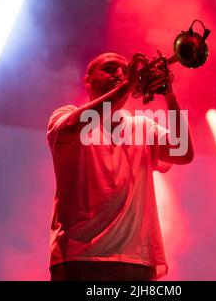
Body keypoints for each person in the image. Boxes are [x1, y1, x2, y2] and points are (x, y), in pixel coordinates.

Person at [46, 52, 194, 281]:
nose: (119, 74)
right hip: (80, 258)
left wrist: (170, 95)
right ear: (87, 80)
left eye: (124, 71)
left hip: (137, 260)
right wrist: (128, 85)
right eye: (110, 68)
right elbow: (81, 123)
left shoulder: (143, 126)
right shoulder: (65, 116)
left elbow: (183, 152)